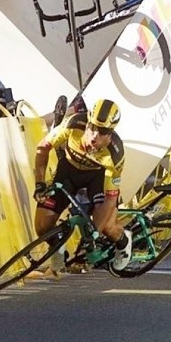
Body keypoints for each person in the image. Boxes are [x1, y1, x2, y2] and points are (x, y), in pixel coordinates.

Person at [32, 99, 132, 272]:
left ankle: (123, 242)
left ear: (111, 133)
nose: (95, 135)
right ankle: (58, 247)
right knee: (42, 226)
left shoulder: (115, 154)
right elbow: (43, 147)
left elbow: (110, 198)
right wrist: (40, 183)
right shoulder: (73, 124)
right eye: (92, 127)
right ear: (87, 122)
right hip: (68, 171)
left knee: (107, 227)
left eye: (103, 132)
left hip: (98, 179)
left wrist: (95, 233)